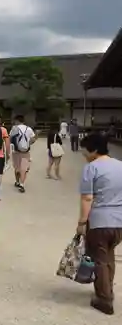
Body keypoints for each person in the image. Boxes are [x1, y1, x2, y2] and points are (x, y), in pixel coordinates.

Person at [77, 133, 122, 315]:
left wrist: (81, 222)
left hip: (100, 221)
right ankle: (106, 291)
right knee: (108, 257)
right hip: (119, 222)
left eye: (84, 150)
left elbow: (87, 197)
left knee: (100, 260)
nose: (83, 154)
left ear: (94, 150)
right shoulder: (120, 165)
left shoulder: (92, 168)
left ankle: (104, 300)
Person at [9, 115, 36, 193]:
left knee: (17, 167)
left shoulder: (14, 128)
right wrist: (27, 144)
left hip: (16, 151)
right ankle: (22, 184)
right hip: (26, 151)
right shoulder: (29, 129)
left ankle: (17, 182)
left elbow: (10, 139)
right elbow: (33, 139)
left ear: (17, 121)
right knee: (23, 168)